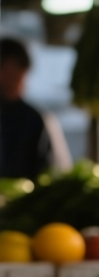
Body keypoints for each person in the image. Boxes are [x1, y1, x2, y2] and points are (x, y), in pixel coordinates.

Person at [0, 38, 71, 180]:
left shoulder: (34, 119)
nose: (12, 82)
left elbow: (51, 170)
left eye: (16, 76)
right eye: (7, 74)